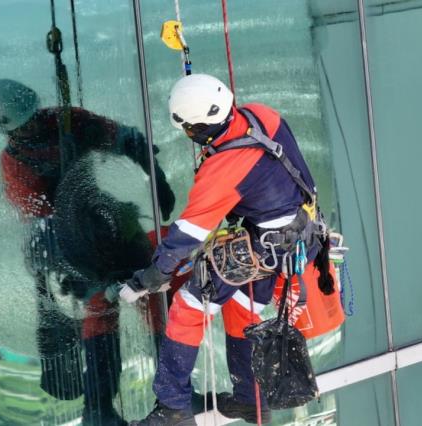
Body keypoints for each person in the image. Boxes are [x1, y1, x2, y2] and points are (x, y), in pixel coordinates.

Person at [121, 73, 336, 425]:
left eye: (189, 130)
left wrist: (152, 276)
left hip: (264, 247)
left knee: (188, 307)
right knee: (242, 306)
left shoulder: (222, 169)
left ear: (197, 129)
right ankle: (250, 400)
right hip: (299, 235)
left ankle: (173, 408)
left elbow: (186, 235)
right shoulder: (260, 115)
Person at [0, 78, 175, 426]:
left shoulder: (66, 121)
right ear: (9, 131)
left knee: (151, 300)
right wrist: (74, 269)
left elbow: (125, 139)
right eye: (25, 124)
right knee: (102, 311)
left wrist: (155, 175)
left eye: (34, 116)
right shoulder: (17, 163)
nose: (34, 124)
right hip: (71, 243)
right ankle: (100, 410)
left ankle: (171, 394)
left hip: (102, 224)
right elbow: (40, 222)